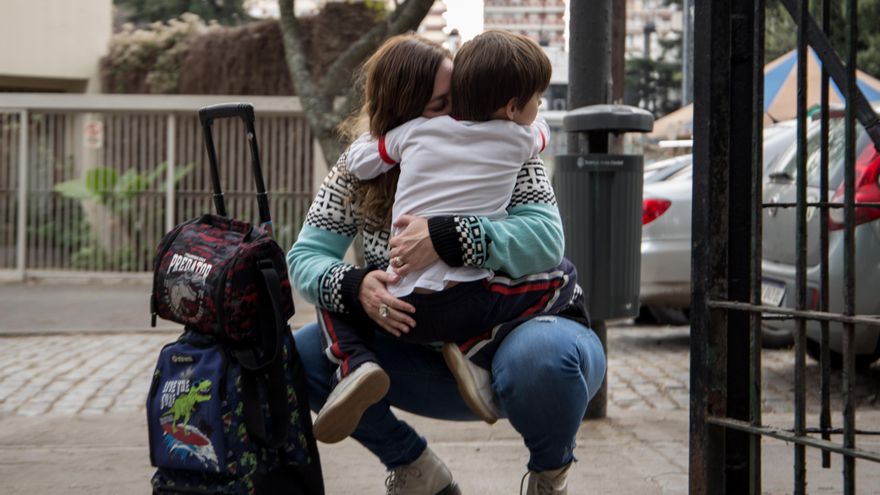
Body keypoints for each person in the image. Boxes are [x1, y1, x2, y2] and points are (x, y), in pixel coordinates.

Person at [287, 33, 606, 495]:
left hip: (520, 339)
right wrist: (358, 287)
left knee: (543, 359)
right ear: (403, 114)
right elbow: (306, 257)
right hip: (423, 341)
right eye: (444, 104)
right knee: (300, 355)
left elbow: (546, 240)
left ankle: (549, 474)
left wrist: (453, 237)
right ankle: (414, 466)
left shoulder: (500, 142)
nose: (463, 112)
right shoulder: (361, 169)